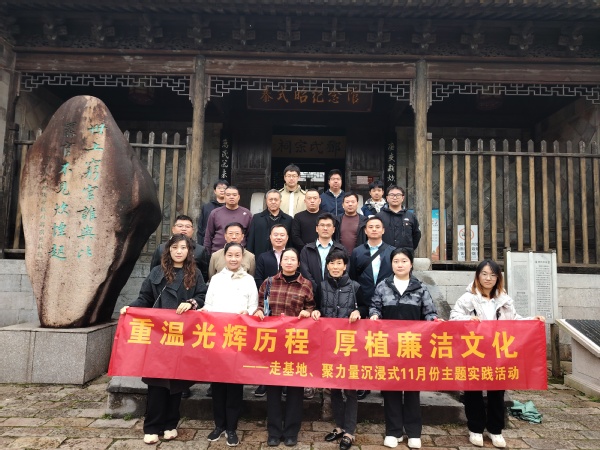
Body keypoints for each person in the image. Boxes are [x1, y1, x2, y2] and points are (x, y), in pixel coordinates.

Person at [119, 234, 207, 445]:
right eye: (175, 247)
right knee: (157, 383)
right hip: (159, 336)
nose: (179, 251)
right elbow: (145, 297)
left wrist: (191, 303)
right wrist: (131, 308)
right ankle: (152, 427)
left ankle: (170, 424)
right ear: (168, 250)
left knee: (177, 383)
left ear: (189, 251)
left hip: (182, 336)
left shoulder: (195, 273)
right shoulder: (157, 272)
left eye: (183, 247)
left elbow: (203, 296)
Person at [449, 259, 545, 449]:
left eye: (493, 275)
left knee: (497, 392)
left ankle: (495, 430)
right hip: (474, 350)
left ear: (498, 278)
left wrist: (531, 320)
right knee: (473, 391)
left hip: (498, 352)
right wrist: (468, 319)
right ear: (477, 276)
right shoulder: (467, 298)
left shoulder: (504, 300)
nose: (488, 278)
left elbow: (514, 320)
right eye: (484, 274)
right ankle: (475, 429)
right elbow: (453, 318)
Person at [369, 247, 440, 449]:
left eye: (404, 261)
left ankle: (413, 432)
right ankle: (393, 431)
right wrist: (374, 315)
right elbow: (374, 306)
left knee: (411, 390)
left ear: (411, 264)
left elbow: (429, 312)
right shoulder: (383, 286)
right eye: (396, 261)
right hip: (389, 347)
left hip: (412, 347)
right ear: (391, 264)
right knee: (390, 390)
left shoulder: (420, 288)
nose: (399, 265)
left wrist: (434, 320)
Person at [254, 248, 314, 447]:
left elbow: (311, 307)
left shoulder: (306, 285)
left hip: (295, 343)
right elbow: (260, 305)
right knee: (273, 388)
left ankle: (291, 431)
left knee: (295, 389)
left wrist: (308, 312)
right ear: (281, 262)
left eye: (292, 259)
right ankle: (273, 430)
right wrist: (258, 312)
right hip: (273, 343)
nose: (289, 262)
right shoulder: (269, 282)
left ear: (298, 263)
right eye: (286, 259)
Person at [202, 242, 258, 447]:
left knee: (234, 385)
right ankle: (219, 425)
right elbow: (208, 304)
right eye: (230, 255)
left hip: (238, 339)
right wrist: (203, 312)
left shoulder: (249, 280)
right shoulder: (216, 279)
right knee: (217, 385)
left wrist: (247, 313)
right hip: (217, 339)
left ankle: (232, 427)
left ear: (243, 257)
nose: (234, 259)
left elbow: (253, 306)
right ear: (224, 256)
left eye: (237, 255)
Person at [311, 249, 367, 450]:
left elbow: (365, 307)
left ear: (345, 266)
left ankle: (350, 431)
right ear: (327, 266)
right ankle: (339, 426)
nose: (335, 267)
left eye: (339, 263)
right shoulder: (321, 286)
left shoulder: (355, 287)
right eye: (332, 263)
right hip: (329, 345)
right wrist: (316, 311)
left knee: (350, 389)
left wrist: (358, 311)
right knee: (333, 386)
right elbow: (317, 306)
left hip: (349, 345)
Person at [348, 216, 395, 401]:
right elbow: (352, 278)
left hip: (387, 303)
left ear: (383, 230)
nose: (374, 229)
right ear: (365, 231)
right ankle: (364, 384)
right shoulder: (357, 252)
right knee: (363, 345)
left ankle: (385, 384)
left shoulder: (392, 251)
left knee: (386, 345)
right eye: (370, 227)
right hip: (364, 303)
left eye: (377, 227)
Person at [252, 223, 289, 397]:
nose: (279, 237)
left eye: (282, 235)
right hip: (268, 307)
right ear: (270, 237)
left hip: (287, 306)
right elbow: (258, 278)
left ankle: (284, 382)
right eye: (276, 234)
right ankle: (264, 382)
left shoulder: (292, 255)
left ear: (287, 237)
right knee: (268, 346)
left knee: (285, 346)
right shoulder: (263, 257)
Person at [151, 214, 210, 283]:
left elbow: (204, 275)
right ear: (173, 229)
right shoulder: (161, 248)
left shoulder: (200, 250)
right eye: (180, 226)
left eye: (187, 226)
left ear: (192, 230)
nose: (184, 229)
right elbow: (153, 271)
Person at [299, 212, 347, 294]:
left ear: (333, 229)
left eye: (328, 225)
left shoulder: (341, 249)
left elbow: (345, 272)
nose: (325, 228)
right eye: (322, 225)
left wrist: (331, 290)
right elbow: (305, 272)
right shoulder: (307, 249)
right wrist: (317, 289)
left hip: (335, 294)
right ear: (317, 229)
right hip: (312, 293)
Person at [204, 186, 252, 254]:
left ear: (238, 197)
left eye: (234, 195)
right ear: (224, 196)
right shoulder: (215, 213)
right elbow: (208, 235)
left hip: (240, 253)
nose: (231, 197)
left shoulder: (247, 214)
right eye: (228, 195)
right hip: (218, 252)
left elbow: (250, 237)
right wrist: (207, 254)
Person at [246, 189, 293, 259]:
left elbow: (291, 242)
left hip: (282, 258)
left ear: (280, 201)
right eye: (270, 200)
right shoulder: (257, 218)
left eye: (276, 200)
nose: (273, 202)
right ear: (266, 201)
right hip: (260, 256)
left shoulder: (288, 219)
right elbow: (251, 240)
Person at [376, 186, 421, 250]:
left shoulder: (411, 216)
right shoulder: (379, 216)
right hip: (384, 252)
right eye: (392, 195)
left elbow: (416, 235)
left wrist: (409, 250)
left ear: (403, 198)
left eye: (398, 195)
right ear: (387, 198)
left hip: (405, 253)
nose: (395, 198)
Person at [197, 179, 229, 244]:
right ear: (215, 191)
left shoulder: (231, 207)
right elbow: (201, 228)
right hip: (209, 242)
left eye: (224, 188)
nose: (222, 190)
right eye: (219, 188)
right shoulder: (207, 207)